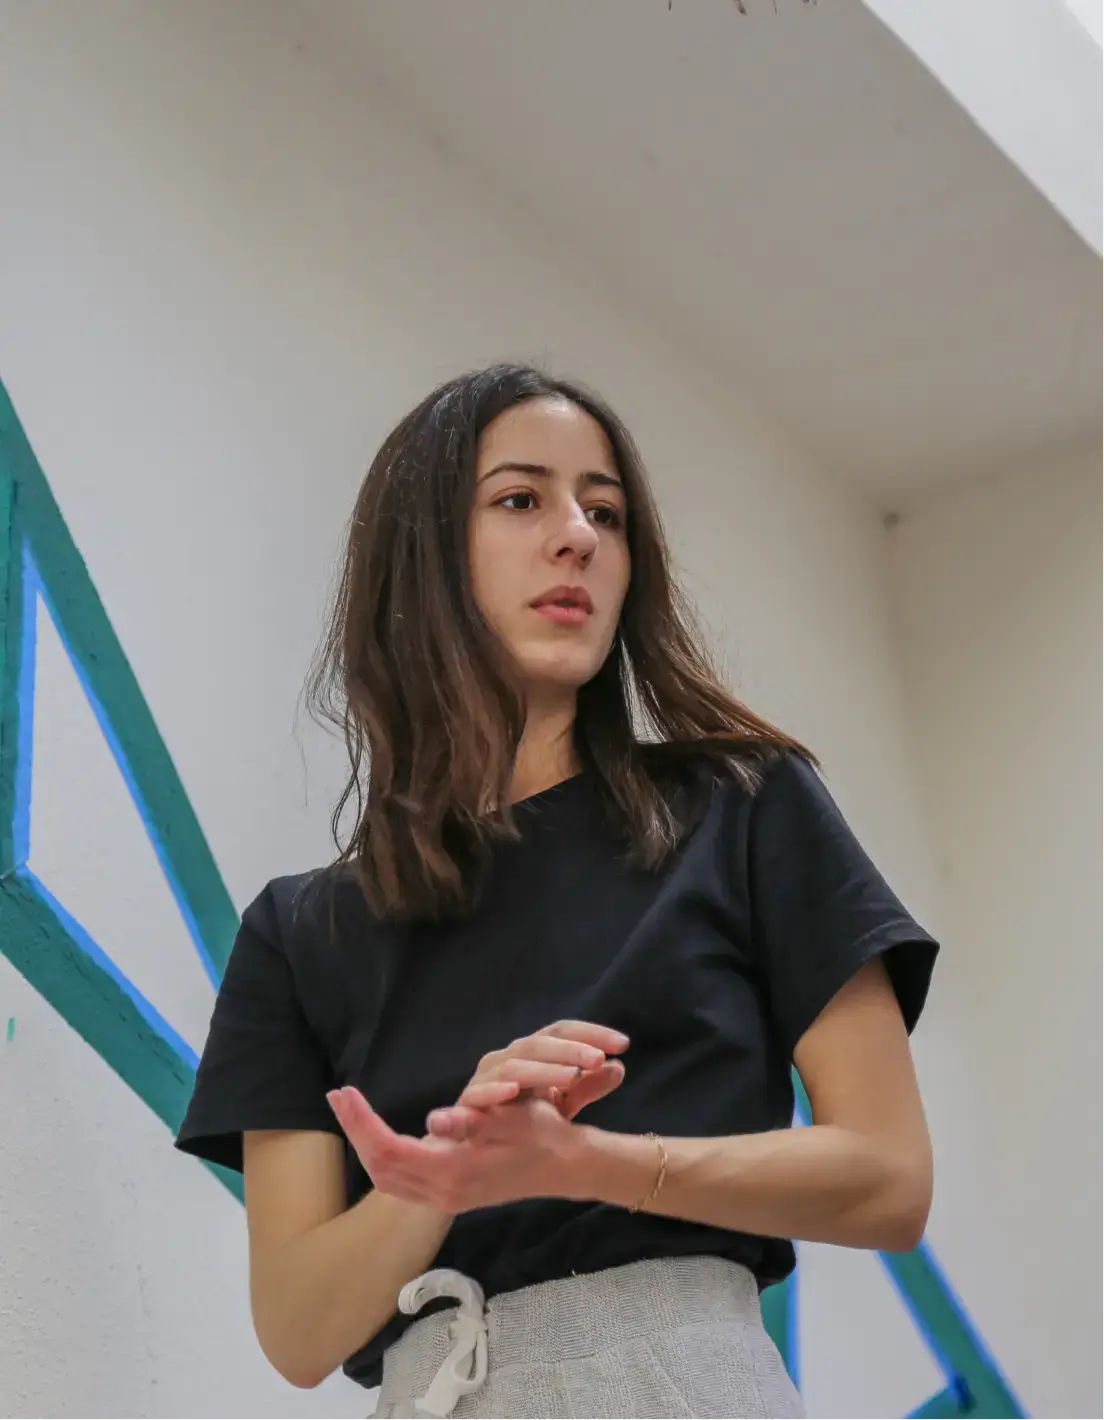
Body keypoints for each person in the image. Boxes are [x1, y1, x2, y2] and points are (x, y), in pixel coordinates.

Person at [175, 363, 938, 1418]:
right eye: (520, 499)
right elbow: (300, 1333)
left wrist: (585, 1162)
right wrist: (443, 1173)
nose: (577, 536)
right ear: (421, 556)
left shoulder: (745, 806)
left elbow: (891, 1179)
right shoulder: (300, 933)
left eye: (605, 511)